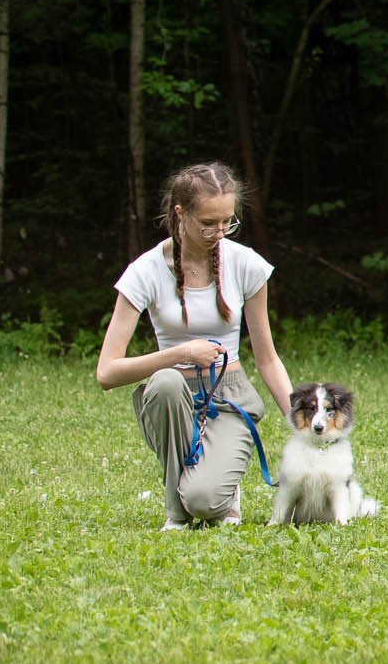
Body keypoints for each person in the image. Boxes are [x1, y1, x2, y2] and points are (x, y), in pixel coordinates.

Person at [95, 162, 294, 529]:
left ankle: (215, 492)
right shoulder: (146, 271)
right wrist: (181, 354)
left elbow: (267, 359)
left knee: (205, 502)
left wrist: (297, 417)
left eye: (227, 222)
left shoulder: (247, 266)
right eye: (208, 223)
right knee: (167, 382)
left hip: (228, 396)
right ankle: (175, 509)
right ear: (180, 214)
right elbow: (107, 372)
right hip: (171, 398)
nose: (219, 232)